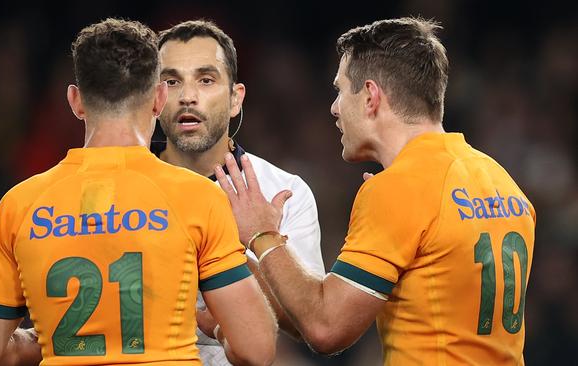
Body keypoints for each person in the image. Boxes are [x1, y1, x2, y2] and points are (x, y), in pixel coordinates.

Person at [213, 17, 535, 365]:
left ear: (370, 96)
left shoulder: (399, 189)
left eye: (339, 90)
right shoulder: (502, 182)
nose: (335, 108)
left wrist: (263, 233)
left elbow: (326, 329)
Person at [0, 18, 277, 366]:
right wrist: (218, 332)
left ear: (75, 101)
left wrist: (49, 341)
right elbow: (256, 349)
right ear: (159, 98)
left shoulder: (20, 204)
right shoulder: (198, 197)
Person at [154, 20, 325, 365]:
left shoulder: (285, 191)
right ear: (154, 99)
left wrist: (257, 239)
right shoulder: (124, 189)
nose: (188, 96)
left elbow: (309, 326)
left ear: (235, 99)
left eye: (206, 80)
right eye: (172, 81)